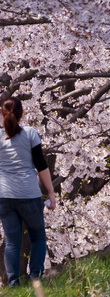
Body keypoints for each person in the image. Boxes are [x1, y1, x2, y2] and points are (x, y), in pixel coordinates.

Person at [0, 96, 56, 286]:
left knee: (12, 242)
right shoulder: (30, 133)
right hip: (29, 195)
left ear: (2, 114)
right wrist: (50, 192)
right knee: (38, 237)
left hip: (4, 196)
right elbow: (41, 165)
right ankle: (35, 278)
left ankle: (13, 283)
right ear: (22, 114)